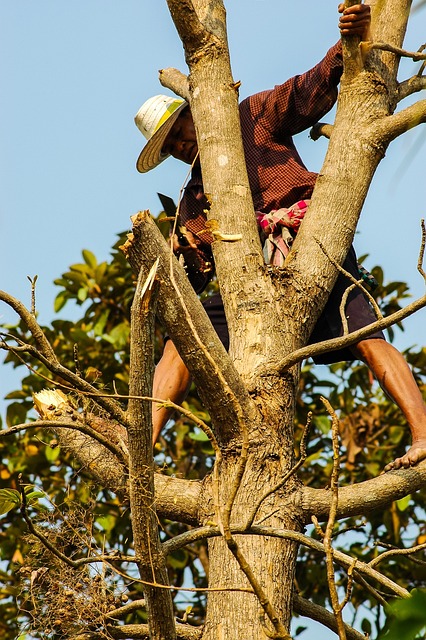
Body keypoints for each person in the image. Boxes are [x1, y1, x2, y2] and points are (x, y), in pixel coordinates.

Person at [134, 4, 426, 471]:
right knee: (183, 337)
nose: (179, 146)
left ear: (197, 111)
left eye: (178, 131)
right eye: (169, 147)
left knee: (368, 335)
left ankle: (424, 434)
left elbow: (311, 86)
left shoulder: (253, 116)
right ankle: (140, 446)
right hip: (250, 287)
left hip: (309, 241)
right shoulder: (194, 194)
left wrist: (351, 39)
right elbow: (194, 267)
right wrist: (178, 254)